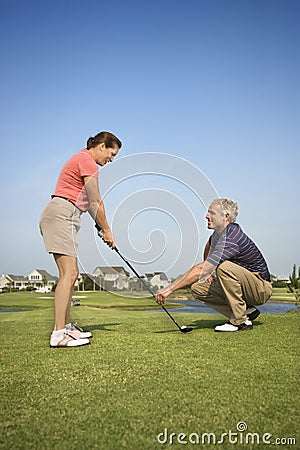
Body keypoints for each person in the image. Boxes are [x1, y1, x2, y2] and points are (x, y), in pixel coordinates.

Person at [40, 131, 122, 347]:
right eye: (111, 154)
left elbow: (88, 204)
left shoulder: (82, 159)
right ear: (102, 146)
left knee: (71, 273)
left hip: (66, 214)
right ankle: (58, 334)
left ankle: (66, 328)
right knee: (69, 273)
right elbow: (96, 201)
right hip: (62, 213)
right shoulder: (88, 161)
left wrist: (101, 226)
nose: (111, 160)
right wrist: (107, 230)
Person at [155, 198, 272, 332]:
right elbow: (208, 246)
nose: (206, 216)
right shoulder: (217, 235)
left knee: (224, 268)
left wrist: (169, 289)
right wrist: (209, 273)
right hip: (245, 287)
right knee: (198, 288)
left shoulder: (231, 236)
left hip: (260, 288)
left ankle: (240, 322)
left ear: (226, 216)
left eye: (212, 213)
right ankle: (246, 312)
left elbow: (201, 268)